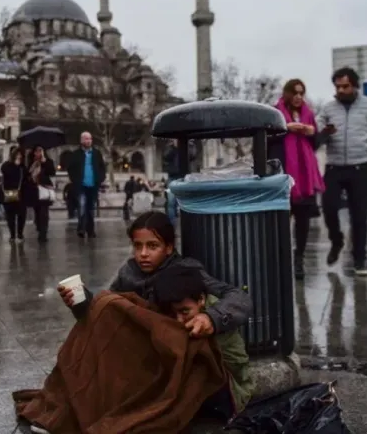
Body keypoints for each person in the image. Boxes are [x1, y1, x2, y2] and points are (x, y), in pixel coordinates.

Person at [58, 211, 252, 337]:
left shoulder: (186, 271)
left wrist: (211, 318)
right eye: (137, 246)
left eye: (152, 246)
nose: (143, 254)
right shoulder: (129, 272)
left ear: (168, 247)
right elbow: (107, 312)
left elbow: (239, 297)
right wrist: (81, 302)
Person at [152, 266, 255, 419]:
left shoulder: (212, 317)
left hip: (230, 391)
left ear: (201, 300)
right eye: (173, 313)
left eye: (185, 311)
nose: (179, 320)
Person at [318, 67, 367, 276]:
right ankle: (337, 240)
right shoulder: (328, 108)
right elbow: (316, 130)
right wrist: (324, 132)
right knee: (329, 207)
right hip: (334, 166)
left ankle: (359, 260)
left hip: (360, 167)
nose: (341, 90)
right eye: (338, 86)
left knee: (359, 215)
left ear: (355, 86)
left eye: (345, 86)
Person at [269, 79, 324, 280]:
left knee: (303, 221)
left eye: (302, 93)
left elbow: (316, 144)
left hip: (305, 177)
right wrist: (286, 128)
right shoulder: (275, 113)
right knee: (281, 221)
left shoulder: (309, 114)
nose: (299, 97)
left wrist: (312, 133)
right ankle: (280, 260)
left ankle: (299, 258)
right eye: (295, 93)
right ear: (287, 94)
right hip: (284, 175)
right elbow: (266, 140)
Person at [66, 131, 106, 238]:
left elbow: (102, 167)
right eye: (86, 139)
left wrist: (101, 179)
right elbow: (70, 169)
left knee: (91, 208)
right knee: (82, 206)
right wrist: (75, 180)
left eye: (90, 139)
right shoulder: (76, 154)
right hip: (81, 185)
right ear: (81, 140)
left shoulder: (97, 153)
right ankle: (81, 228)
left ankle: (91, 230)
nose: (88, 141)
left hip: (93, 185)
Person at [25, 145, 56, 243]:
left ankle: (43, 233)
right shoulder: (31, 162)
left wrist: (44, 162)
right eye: (36, 151)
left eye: (40, 151)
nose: (38, 153)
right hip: (34, 190)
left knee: (44, 212)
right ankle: (39, 226)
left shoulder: (48, 161)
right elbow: (28, 174)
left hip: (44, 188)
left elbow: (52, 172)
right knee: (37, 211)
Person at [0, 148, 27, 242]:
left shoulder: (22, 167)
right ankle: (12, 234)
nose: (19, 156)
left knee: (21, 215)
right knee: (10, 215)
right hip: (8, 192)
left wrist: (20, 166)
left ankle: (20, 234)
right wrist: (14, 165)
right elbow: (4, 171)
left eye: (20, 155)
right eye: (17, 154)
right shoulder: (7, 165)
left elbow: (26, 177)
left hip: (21, 194)